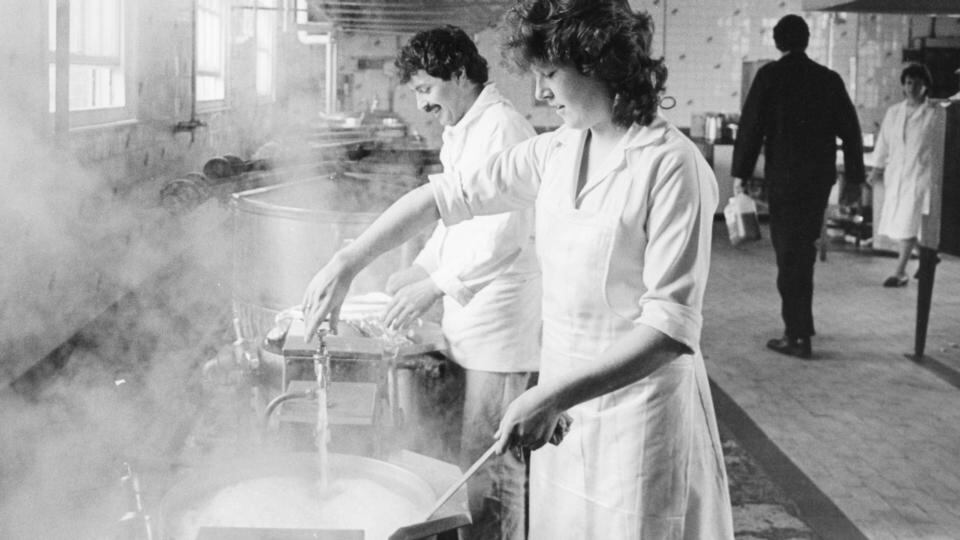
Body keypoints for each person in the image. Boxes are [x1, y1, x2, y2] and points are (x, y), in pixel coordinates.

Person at [302, 0, 734, 537]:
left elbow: (669, 330)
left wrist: (553, 396)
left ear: (599, 61)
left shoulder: (671, 165)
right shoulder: (557, 150)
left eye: (550, 73)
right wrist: (348, 261)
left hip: (637, 410)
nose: (540, 92)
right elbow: (445, 197)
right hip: (562, 403)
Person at [385, 26, 540, 540]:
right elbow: (456, 221)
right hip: (473, 321)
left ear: (457, 74)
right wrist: (423, 268)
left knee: (492, 465)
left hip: (501, 328)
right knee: (475, 457)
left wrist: (434, 286)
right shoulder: (464, 130)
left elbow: (505, 234)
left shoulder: (503, 128)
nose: (423, 103)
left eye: (426, 89)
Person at [731, 14, 865, 359]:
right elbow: (851, 130)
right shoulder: (828, 79)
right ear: (806, 40)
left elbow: (750, 128)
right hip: (818, 181)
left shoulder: (770, 77)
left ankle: (797, 335)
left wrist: (740, 173)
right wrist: (854, 178)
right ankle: (802, 323)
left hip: (785, 182)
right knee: (802, 251)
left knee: (789, 256)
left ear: (778, 42)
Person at [868, 64, 937, 288]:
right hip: (896, 175)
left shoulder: (934, 114)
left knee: (907, 223)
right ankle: (928, 257)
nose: (912, 87)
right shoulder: (894, 112)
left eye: (918, 83)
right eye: (908, 82)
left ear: (926, 86)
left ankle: (900, 272)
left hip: (921, 177)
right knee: (900, 224)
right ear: (903, 85)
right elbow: (884, 144)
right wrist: (875, 169)